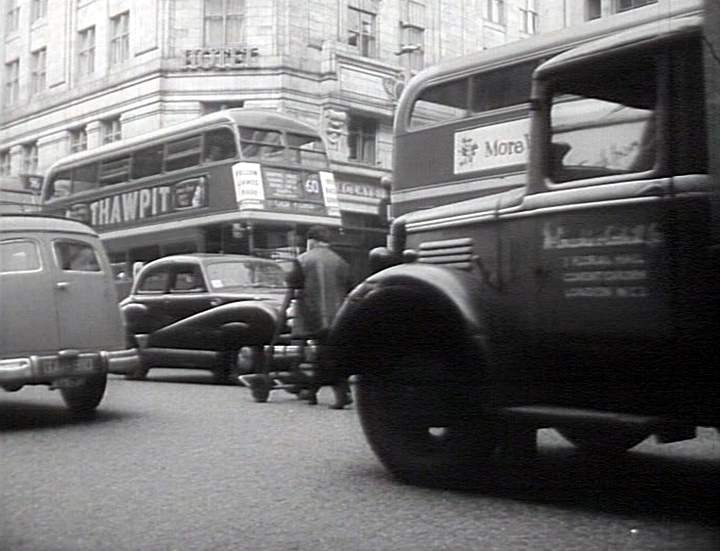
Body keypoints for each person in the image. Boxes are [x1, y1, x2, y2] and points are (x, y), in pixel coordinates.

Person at [291, 225, 353, 409]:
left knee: (324, 356)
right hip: (338, 316)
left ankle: (335, 392)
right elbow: (349, 287)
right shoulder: (341, 261)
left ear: (311, 241)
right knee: (326, 353)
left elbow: (293, 284)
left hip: (313, 314)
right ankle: (312, 391)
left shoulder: (302, 260)